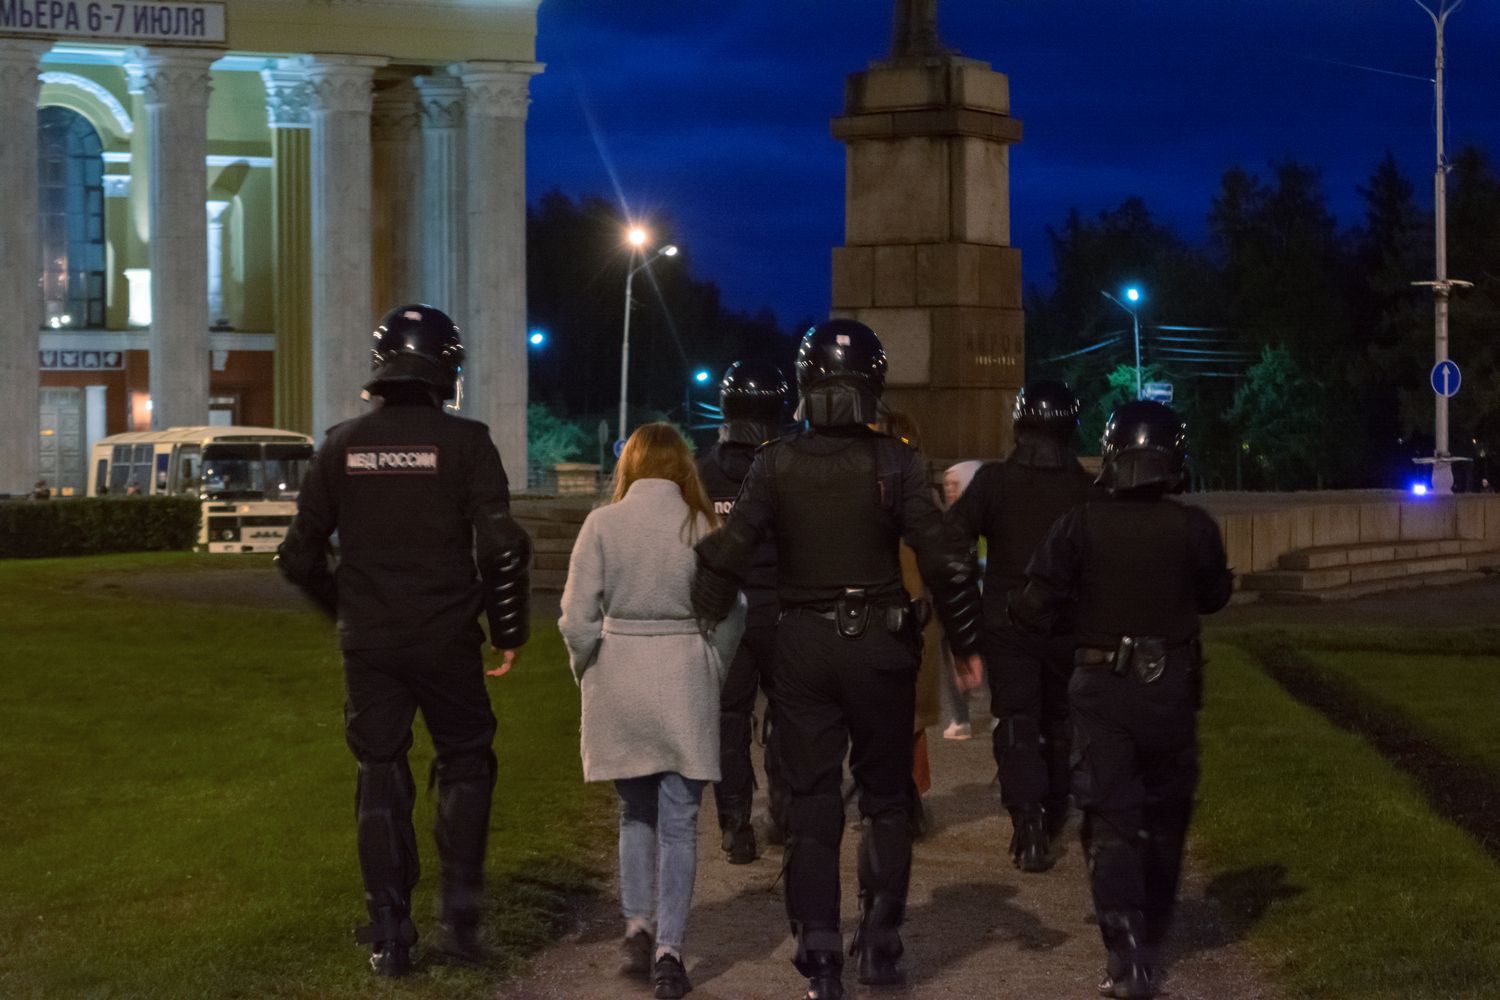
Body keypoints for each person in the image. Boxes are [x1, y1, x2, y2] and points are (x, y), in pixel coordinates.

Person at [692, 319, 983, 1000]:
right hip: (879, 647)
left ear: (806, 384)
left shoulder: (775, 462)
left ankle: (820, 954)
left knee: (811, 802)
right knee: (884, 799)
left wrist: (698, 622)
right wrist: (966, 643)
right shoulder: (897, 463)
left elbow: (729, 554)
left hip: (804, 649)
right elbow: (945, 558)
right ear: (873, 384)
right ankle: (879, 942)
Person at [276, 304, 532, 978]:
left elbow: (298, 557)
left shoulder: (339, 445)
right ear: (447, 369)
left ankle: (391, 934)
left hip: (373, 647)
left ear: (382, 366)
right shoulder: (468, 444)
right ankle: (462, 919)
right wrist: (508, 633)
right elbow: (503, 545)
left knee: (380, 775)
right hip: (447, 637)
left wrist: (348, 611)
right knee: (467, 763)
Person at [1008, 400, 1233, 999]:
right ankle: (1152, 936)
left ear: (1112, 456)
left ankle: (1125, 951)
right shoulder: (1194, 527)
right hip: (1172, 687)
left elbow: (1033, 609)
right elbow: (1214, 597)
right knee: (1165, 813)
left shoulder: (1079, 525)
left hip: (1102, 684)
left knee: (1109, 817)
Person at [559, 422, 746, 1000]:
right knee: (680, 823)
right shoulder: (705, 525)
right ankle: (669, 948)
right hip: (684, 670)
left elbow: (575, 615)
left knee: (634, 811)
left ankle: (636, 923)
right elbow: (734, 607)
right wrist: (712, 665)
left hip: (623, 674)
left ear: (630, 465)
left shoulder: (602, 524)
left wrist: (586, 665)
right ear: (684, 466)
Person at [948, 380, 1101, 872]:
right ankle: (1054, 812)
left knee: (1015, 719)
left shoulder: (993, 482)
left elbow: (952, 547)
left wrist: (964, 622)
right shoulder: (1085, 490)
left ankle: (1027, 823)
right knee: (1058, 720)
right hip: (1067, 623)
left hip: (1007, 620)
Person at [696, 360, 792, 865]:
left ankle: (735, 824)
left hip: (724, 615)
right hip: (779, 611)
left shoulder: (702, 471)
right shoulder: (787, 466)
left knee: (727, 722)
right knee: (787, 713)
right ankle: (782, 808)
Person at [937, 460, 984, 740]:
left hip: (969, 599)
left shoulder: (961, 522)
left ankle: (963, 717)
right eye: (946, 486)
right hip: (969, 599)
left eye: (955, 485)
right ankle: (961, 717)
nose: (949, 491)